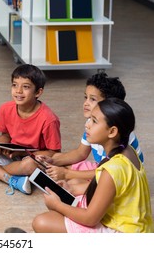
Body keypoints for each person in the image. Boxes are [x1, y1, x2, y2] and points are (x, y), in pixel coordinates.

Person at [32, 98, 153, 233]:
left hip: (123, 233)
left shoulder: (112, 169)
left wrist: (57, 205)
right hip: (139, 228)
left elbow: (90, 219)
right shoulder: (128, 151)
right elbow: (110, 190)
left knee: (41, 222)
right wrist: (70, 188)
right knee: (73, 197)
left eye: (94, 121)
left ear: (112, 132)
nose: (87, 125)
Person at [0, 64, 61, 195]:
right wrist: (0, 146)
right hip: (9, 155)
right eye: (15, 85)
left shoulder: (49, 119)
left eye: (25, 87)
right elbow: (5, 134)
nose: (18, 91)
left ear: (38, 92)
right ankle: (6, 175)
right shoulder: (6, 108)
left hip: (28, 159)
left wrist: (22, 154)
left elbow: (54, 152)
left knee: (29, 165)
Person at [40, 73, 144, 184]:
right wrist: (54, 161)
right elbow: (80, 153)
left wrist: (67, 174)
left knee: (74, 182)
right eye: (86, 97)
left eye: (92, 99)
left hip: (120, 178)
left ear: (110, 106)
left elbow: (109, 173)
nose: (86, 103)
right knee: (60, 163)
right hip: (103, 168)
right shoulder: (91, 124)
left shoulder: (118, 134)